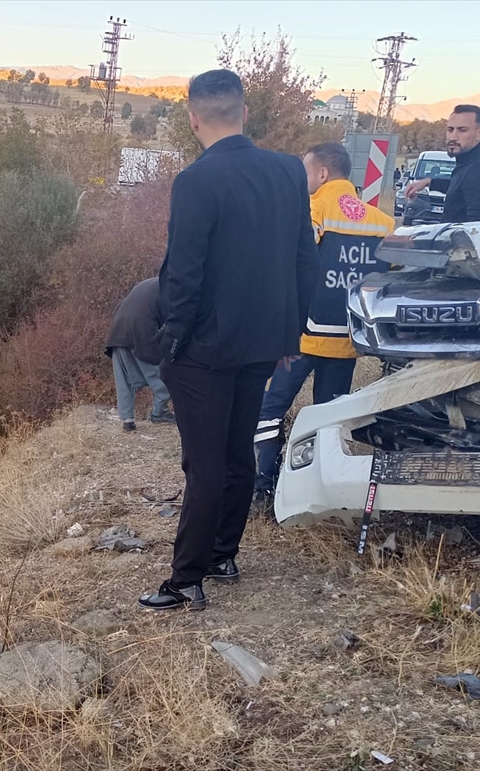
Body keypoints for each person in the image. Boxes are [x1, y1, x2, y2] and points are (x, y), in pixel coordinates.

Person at [139, 69, 318, 611]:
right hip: (265, 339)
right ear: (244, 113)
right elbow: (304, 258)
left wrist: (171, 340)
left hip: (206, 347)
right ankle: (222, 555)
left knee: (204, 462)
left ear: (193, 118)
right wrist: (291, 331)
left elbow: (184, 274)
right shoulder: (289, 170)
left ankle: (187, 577)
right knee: (237, 448)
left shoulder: (197, 179)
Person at [252, 142, 394, 513]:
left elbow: (290, 264)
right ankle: (317, 489)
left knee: (269, 409)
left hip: (302, 336)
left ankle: (263, 485)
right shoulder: (381, 222)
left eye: (305, 171)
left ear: (322, 174)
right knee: (327, 419)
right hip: (349, 339)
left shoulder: (313, 210)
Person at [403, 105, 480, 222]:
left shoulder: (479, 169)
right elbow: (461, 187)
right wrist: (429, 182)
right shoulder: (467, 164)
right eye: (450, 130)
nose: (453, 137)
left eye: (462, 130)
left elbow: (476, 226)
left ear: (479, 134)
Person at [105, 277, 174, 432]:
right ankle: (159, 412)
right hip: (141, 330)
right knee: (161, 374)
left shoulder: (143, 284)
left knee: (123, 378)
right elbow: (172, 320)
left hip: (117, 331)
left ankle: (127, 421)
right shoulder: (170, 287)